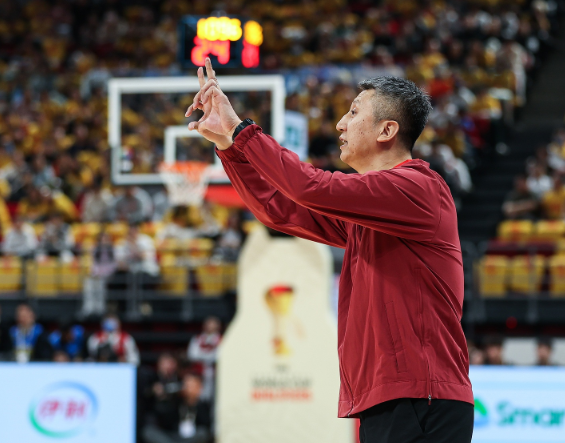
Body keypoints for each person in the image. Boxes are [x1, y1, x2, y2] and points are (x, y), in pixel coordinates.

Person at [187, 59, 473, 442]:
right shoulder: (373, 212)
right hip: (391, 397)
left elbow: (309, 187)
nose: (340, 124)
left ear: (387, 130)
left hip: (422, 394)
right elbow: (280, 210)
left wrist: (241, 130)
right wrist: (228, 145)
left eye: (353, 112)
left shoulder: (419, 188)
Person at [143, 373, 212, 443]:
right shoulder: (176, 402)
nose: (188, 388)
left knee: (203, 433)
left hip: (192, 438)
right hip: (175, 436)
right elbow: (163, 419)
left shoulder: (203, 406)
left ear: (199, 388)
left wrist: (193, 402)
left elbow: (206, 426)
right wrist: (166, 398)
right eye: (186, 385)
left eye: (191, 385)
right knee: (148, 431)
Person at [187, 317, 222, 400]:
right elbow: (192, 354)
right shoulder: (197, 338)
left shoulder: (221, 340)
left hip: (216, 372)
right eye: (209, 324)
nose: (210, 327)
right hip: (199, 372)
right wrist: (208, 356)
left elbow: (219, 356)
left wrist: (203, 355)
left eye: (213, 324)